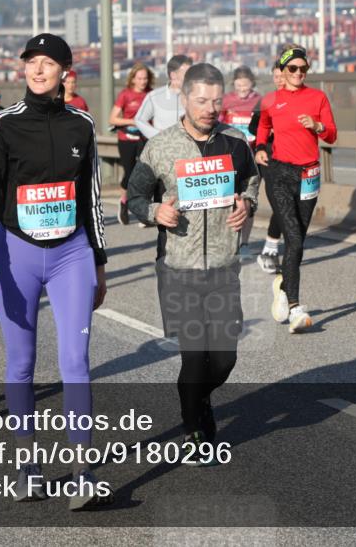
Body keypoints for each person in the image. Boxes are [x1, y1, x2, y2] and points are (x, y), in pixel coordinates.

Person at [0, 33, 111, 509]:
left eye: (47, 63)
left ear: (64, 72)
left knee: (75, 360)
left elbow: (90, 199)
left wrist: (100, 261)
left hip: (71, 252)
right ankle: (27, 465)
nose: (37, 70)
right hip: (16, 253)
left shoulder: (82, 125)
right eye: (31, 62)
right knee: (23, 363)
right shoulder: (4, 124)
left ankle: (83, 470)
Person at [127, 63, 258, 458]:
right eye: (201, 101)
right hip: (178, 268)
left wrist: (246, 204)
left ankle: (198, 400)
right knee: (194, 358)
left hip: (223, 265)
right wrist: (155, 213)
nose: (210, 108)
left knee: (223, 360)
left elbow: (251, 180)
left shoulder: (235, 142)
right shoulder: (161, 146)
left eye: (216, 101)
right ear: (184, 99)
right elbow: (135, 197)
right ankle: (194, 429)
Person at [254, 45, 337, 333]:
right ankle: (295, 307)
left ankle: (281, 283)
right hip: (279, 173)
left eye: (303, 69)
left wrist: (316, 125)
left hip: (309, 173)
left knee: (296, 241)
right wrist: (260, 148)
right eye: (293, 69)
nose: (299, 73)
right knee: (294, 239)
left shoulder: (318, 97)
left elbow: (332, 134)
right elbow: (262, 128)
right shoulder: (271, 101)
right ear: (283, 71)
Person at [220, 65, 262, 252]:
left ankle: (244, 242)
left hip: (252, 158)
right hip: (229, 158)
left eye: (246, 87)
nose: (243, 91)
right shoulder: (226, 100)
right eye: (239, 87)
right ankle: (228, 241)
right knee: (227, 201)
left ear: (252, 84)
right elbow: (217, 124)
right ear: (233, 85)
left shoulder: (260, 101)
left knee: (248, 201)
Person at [108, 62, 153, 225]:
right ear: (133, 79)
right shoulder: (125, 94)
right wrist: (134, 122)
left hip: (144, 138)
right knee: (129, 173)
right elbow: (112, 119)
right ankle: (124, 202)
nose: (143, 82)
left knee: (144, 173)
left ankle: (143, 210)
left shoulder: (151, 94)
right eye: (139, 78)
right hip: (126, 139)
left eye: (145, 78)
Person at [252, 62, 286, 273]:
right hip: (271, 159)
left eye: (283, 75)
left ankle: (275, 249)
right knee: (281, 206)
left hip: (297, 161)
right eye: (276, 76)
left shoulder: (305, 100)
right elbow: (252, 126)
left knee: (291, 209)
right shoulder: (269, 101)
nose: (280, 80)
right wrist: (271, 131)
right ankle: (270, 250)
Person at [133, 54, 192, 140]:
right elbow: (139, 119)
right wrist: (158, 136)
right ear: (173, 75)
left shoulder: (196, 97)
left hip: (190, 149)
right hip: (162, 150)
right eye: (187, 73)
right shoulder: (154, 96)